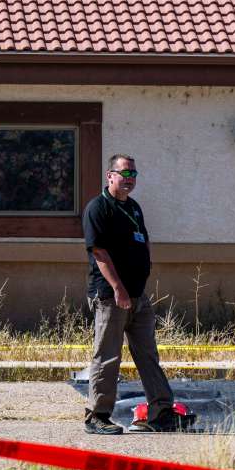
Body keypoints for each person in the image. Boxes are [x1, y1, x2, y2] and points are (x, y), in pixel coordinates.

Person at [82, 154, 183, 434]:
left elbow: (143, 238)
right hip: (111, 297)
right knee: (108, 356)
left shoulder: (134, 207)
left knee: (148, 355)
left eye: (134, 175)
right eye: (124, 174)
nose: (130, 180)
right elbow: (99, 252)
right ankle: (98, 416)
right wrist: (118, 288)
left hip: (138, 296)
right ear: (110, 175)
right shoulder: (98, 208)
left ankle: (161, 411)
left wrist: (144, 269)